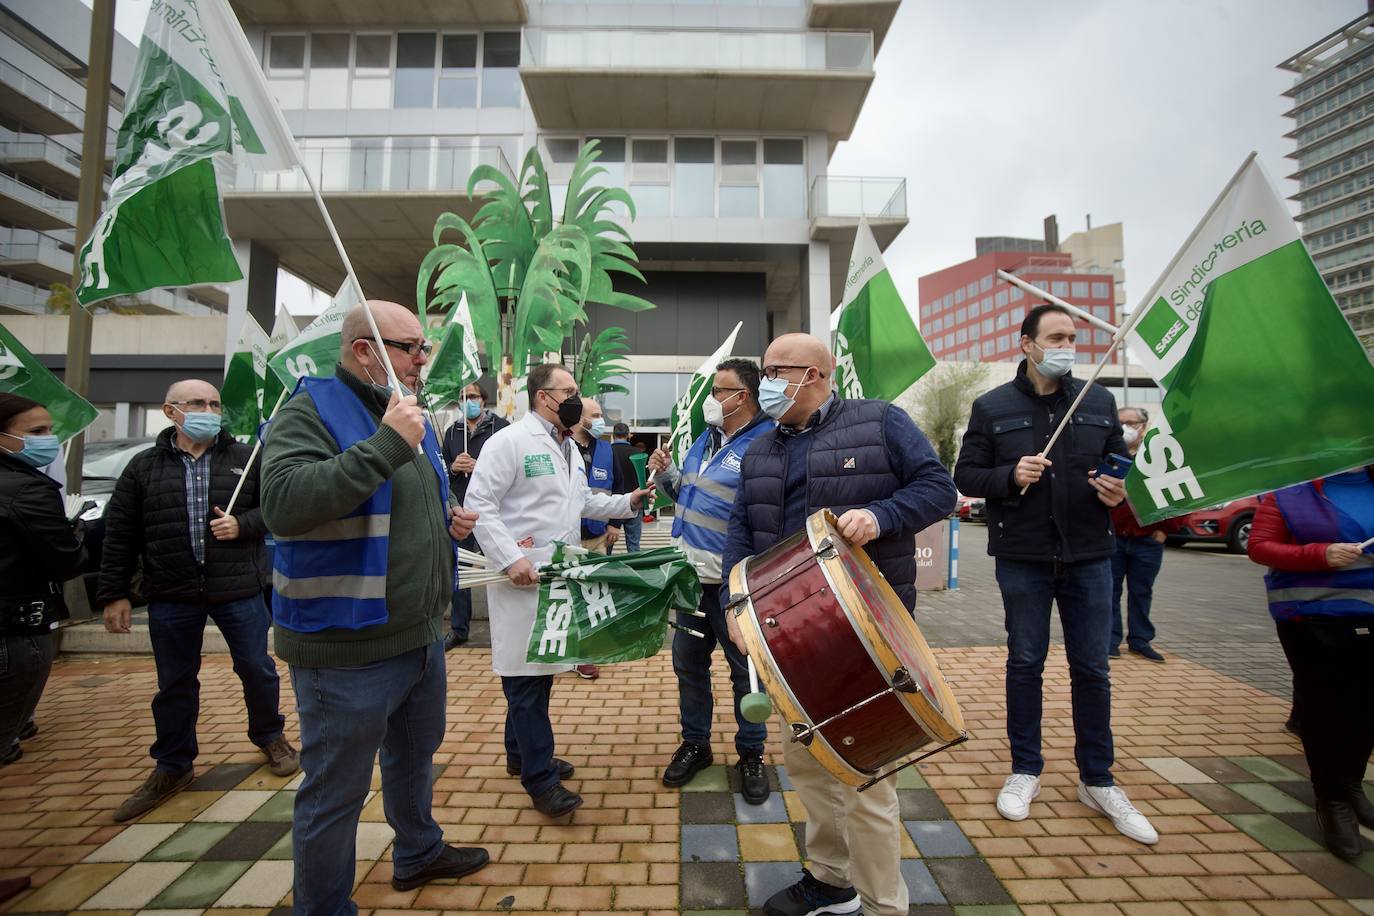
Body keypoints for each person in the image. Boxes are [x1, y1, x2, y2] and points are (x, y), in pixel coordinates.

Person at [261, 301, 488, 914]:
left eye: (424, 346)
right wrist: (389, 443)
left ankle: (418, 851)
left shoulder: (407, 415)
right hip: (346, 649)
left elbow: (397, 502)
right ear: (366, 350)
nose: (423, 359)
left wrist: (447, 522)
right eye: (411, 347)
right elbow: (284, 503)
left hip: (417, 637)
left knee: (415, 757)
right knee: (335, 791)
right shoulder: (307, 411)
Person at [722, 334, 956, 916]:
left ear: (819, 375)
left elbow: (939, 489)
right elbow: (740, 533)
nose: (765, 383)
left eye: (779, 371)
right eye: (764, 371)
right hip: (785, 637)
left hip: (864, 633)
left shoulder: (880, 424)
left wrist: (881, 517)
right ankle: (829, 880)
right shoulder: (759, 450)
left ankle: (883, 904)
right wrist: (735, 604)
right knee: (806, 761)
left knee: (867, 774)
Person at [953, 303, 1157, 846]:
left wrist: (1118, 490)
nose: (1068, 345)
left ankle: (1098, 779)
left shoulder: (1098, 400)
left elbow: (1120, 464)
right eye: (1057, 336)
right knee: (1025, 662)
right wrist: (1009, 473)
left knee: (1093, 668)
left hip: (1091, 554)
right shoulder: (992, 406)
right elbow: (966, 474)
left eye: (1073, 337)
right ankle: (1025, 769)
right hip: (1023, 555)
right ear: (1028, 344)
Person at [99, 379, 298, 823]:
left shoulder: (245, 460)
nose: (209, 410)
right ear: (171, 411)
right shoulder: (143, 468)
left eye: (214, 403)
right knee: (174, 683)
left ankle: (271, 736)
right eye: (197, 403)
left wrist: (243, 525)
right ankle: (173, 764)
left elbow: (278, 506)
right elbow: (120, 535)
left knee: (257, 668)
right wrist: (113, 593)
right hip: (171, 592)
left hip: (237, 588)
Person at [465, 363, 651, 818]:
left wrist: (629, 502)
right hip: (520, 578)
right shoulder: (507, 443)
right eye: (568, 391)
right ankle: (540, 778)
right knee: (526, 679)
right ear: (543, 397)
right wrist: (511, 559)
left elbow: (582, 501)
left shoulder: (566, 447)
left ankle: (521, 755)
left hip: (555, 578)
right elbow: (478, 505)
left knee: (539, 673)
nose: (576, 399)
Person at [651, 358, 774, 803]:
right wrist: (666, 474)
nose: (711, 400)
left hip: (735, 585)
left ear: (743, 397)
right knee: (688, 665)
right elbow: (686, 491)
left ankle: (751, 752)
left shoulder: (768, 443)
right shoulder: (705, 438)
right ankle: (696, 744)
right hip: (690, 581)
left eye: (719, 391)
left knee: (746, 673)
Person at [1247, 466, 1374, 861]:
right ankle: (1331, 799)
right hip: (1312, 617)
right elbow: (1259, 546)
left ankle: (1352, 783)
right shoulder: (1290, 490)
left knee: (1367, 705)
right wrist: (1320, 553)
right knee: (1325, 707)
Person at [0, 394, 85, 768]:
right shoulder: (28, 489)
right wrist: (79, 531)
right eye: (35, 431)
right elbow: (67, 559)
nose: (47, 440)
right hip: (14, 627)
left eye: (49, 430)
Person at [1109, 406, 1179, 662]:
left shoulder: (1158, 458)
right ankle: (1110, 640)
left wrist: (1164, 530)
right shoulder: (1110, 456)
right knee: (1110, 591)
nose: (1127, 427)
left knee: (1141, 591)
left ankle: (1140, 640)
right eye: (1121, 423)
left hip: (1147, 540)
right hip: (1114, 538)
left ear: (1143, 426)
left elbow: (1176, 493)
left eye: (1131, 422)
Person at [441, 380, 508, 651]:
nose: (469, 400)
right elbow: (441, 469)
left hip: (495, 510)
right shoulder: (452, 431)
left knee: (503, 567)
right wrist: (453, 467)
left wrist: (480, 467)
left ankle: (504, 628)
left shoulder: (501, 428)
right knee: (460, 573)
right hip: (463, 511)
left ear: (484, 400)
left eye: (474, 396)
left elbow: (510, 467)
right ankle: (459, 629)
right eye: (464, 396)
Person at [610, 422, 642, 553]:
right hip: (634, 503)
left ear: (613, 435)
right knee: (634, 546)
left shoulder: (607, 452)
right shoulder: (637, 453)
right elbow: (643, 481)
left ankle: (604, 571)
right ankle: (635, 572)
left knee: (607, 544)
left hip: (611, 503)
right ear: (628, 435)